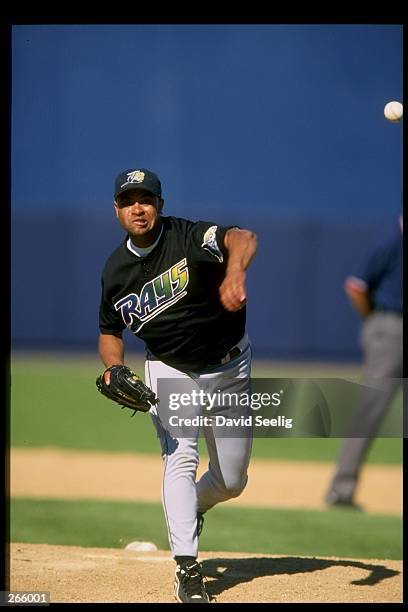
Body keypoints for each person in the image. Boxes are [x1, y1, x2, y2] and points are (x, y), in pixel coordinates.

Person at [98, 167, 257, 603]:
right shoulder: (115, 271)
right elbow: (110, 330)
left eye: (145, 199)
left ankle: (196, 506)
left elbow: (242, 237)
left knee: (232, 479)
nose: (138, 208)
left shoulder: (187, 237)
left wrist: (234, 272)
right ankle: (188, 567)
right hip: (170, 369)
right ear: (116, 209)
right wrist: (113, 367)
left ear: (160, 205)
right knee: (180, 456)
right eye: (128, 201)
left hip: (229, 368)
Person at [325, 215, 403, 509]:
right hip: (390, 329)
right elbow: (356, 285)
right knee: (370, 412)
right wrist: (374, 322)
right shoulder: (391, 240)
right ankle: (341, 488)